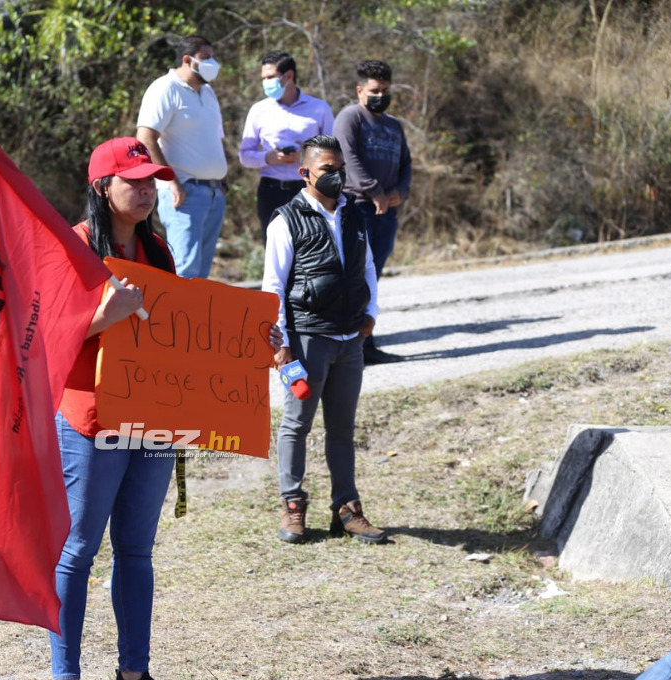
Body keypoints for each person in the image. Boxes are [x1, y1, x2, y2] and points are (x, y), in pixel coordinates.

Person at [52, 137, 283, 680]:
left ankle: (135, 672)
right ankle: (66, 674)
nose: (145, 190)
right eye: (132, 181)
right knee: (79, 552)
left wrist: (256, 342)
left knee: (135, 550)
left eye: (150, 180)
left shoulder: (159, 251)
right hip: (91, 423)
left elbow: (185, 337)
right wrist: (110, 316)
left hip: (152, 421)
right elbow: (47, 340)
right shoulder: (74, 245)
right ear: (101, 187)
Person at [262, 134, 387, 545]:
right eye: (326, 170)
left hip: (350, 339)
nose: (336, 176)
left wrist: (371, 316)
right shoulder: (286, 220)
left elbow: (367, 265)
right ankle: (292, 504)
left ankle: (347, 510)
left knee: (342, 429)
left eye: (340, 169)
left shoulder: (354, 214)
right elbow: (273, 286)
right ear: (305, 173)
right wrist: (279, 344)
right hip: (305, 340)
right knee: (295, 426)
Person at [332, 59, 412, 365]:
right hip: (358, 207)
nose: (381, 95)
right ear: (360, 90)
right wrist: (375, 192)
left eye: (386, 89)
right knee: (355, 276)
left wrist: (398, 193)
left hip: (386, 213)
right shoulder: (350, 117)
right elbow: (347, 158)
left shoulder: (394, 125)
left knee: (372, 279)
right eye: (375, 90)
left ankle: (366, 343)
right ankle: (349, 346)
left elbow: (406, 164)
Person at [136, 35, 228, 280]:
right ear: (187, 60)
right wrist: (172, 182)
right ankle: (172, 319)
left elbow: (213, 140)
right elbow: (145, 138)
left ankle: (196, 320)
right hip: (184, 193)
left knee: (201, 277)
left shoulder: (208, 92)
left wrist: (220, 181)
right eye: (206, 57)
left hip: (212, 193)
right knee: (184, 272)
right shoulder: (165, 88)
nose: (213, 62)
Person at [238, 50, 335, 240]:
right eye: (263, 78)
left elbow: (334, 153)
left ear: (289, 76)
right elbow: (244, 155)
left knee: (311, 251)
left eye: (270, 77)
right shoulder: (258, 110)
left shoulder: (319, 108)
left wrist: (307, 157)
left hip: (309, 190)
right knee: (276, 252)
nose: (266, 82)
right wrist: (267, 157)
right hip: (271, 192)